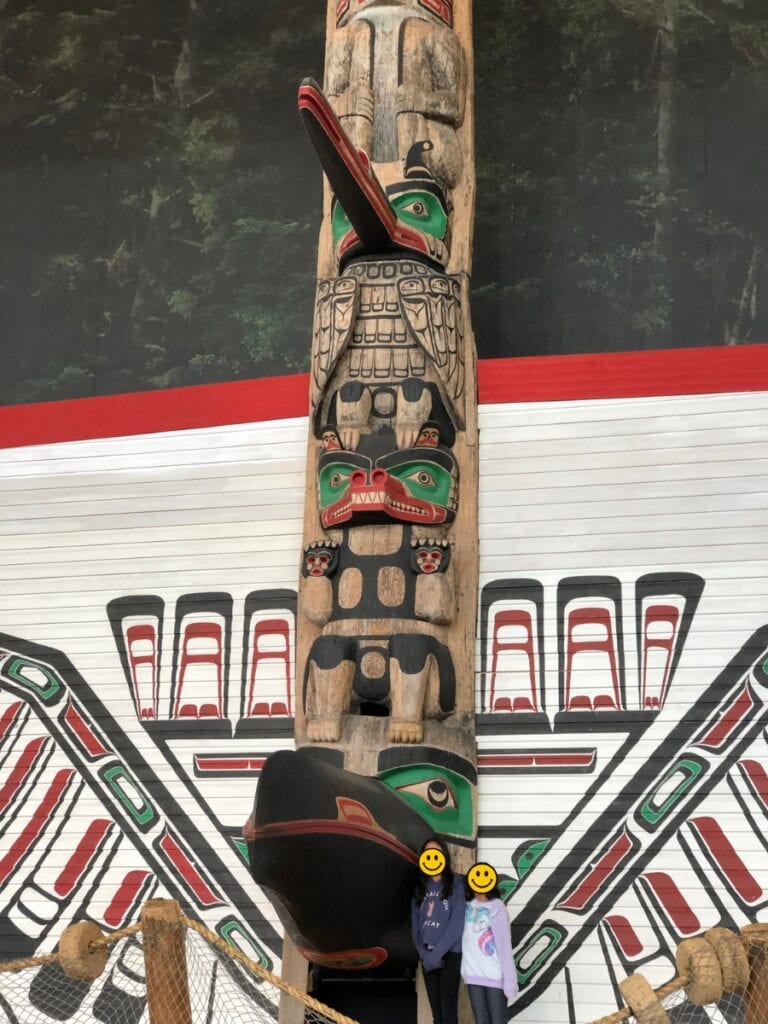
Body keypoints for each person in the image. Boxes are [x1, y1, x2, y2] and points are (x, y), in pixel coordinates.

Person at [411, 837, 466, 1024]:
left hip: (450, 954)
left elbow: (457, 924)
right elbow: (415, 926)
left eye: (436, 853)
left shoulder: (456, 883)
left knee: (449, 1015)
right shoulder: (420, 888)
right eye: (428, 853)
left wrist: (436, 956)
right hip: (427, 955)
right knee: (437, 1016)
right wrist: (425, 955)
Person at [461, 863, 518, 1024]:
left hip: (494, 975)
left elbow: (504, 945)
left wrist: (510, 980)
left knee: (497, 1020)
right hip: (473, 975)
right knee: (481, 1020)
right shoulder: (465, 906)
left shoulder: (496, 906)